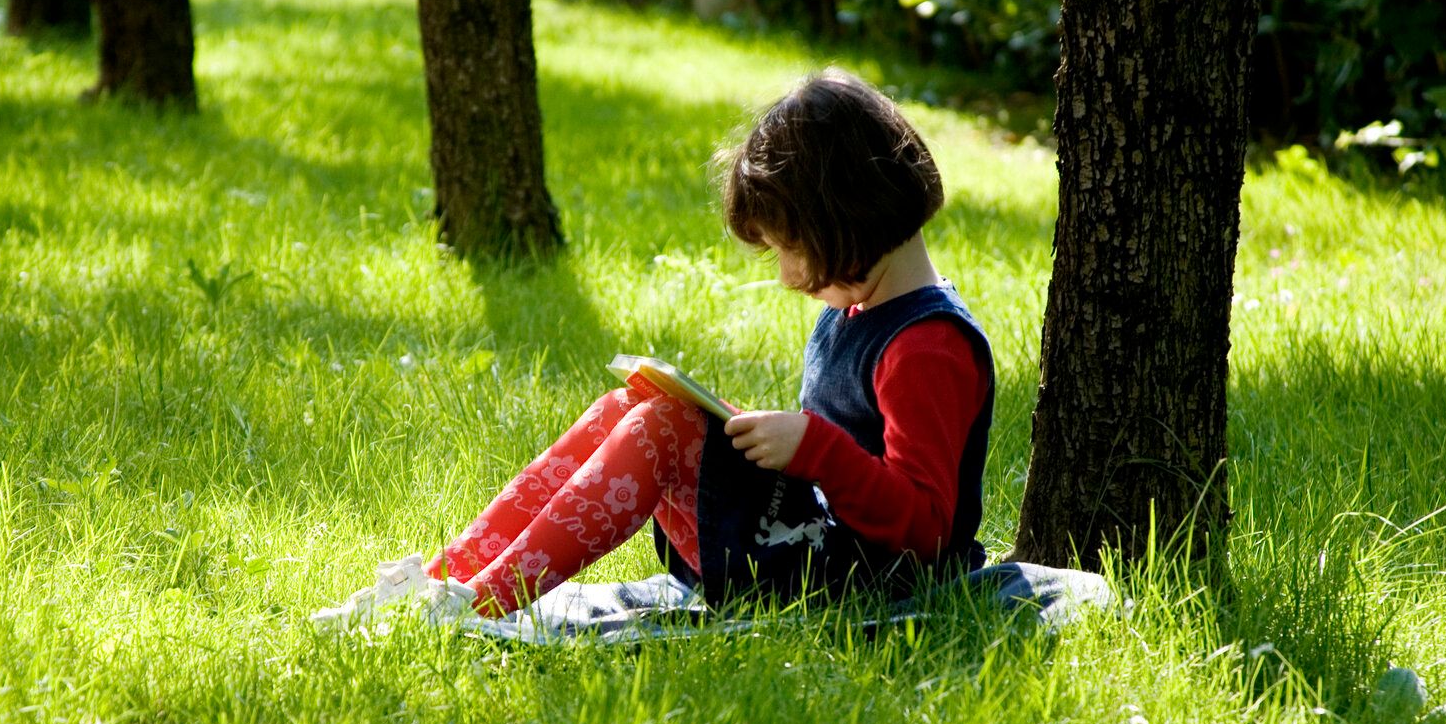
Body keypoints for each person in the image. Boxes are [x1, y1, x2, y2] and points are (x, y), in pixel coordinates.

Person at [329, 67, 995, 628]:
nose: (788, 276)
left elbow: (926, 529)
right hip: (810, 548)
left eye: (791, 248)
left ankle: (477, 609)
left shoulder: (925, 347)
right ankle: (451, 577)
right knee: (629, 406)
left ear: (850, 218)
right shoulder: (859, 307)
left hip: (860, 586)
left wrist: (813, 447)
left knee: (660, 428)